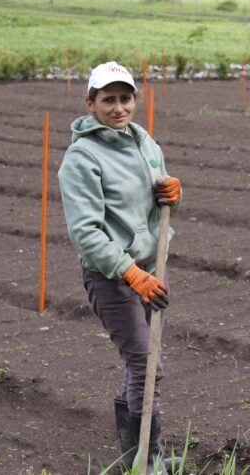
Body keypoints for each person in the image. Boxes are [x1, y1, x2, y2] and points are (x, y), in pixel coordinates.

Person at [58, 61, 183, 473]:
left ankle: (147, 456)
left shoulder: (145, 143)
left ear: (135, 100)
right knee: (147, 364)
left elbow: (155, 208)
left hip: (152, 271)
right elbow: (88, 234)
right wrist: (131, 272)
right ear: (89, 103)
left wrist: (172, 194)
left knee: (141, 365)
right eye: (107, 100)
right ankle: (145, 462)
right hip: (113, 277)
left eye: (125, 98)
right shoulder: (82, 158)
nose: (118, 108)